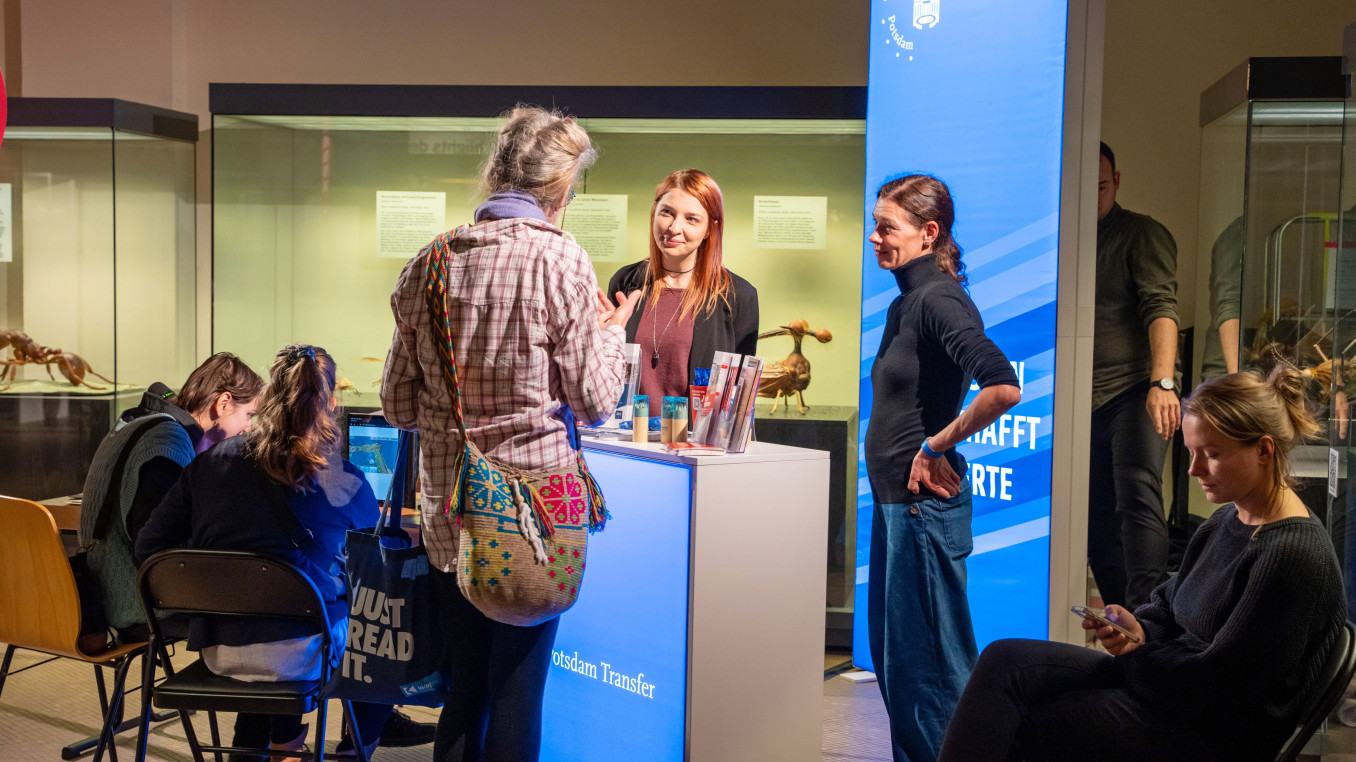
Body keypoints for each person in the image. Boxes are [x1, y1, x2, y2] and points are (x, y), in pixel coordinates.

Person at [381, 105, 640, 762]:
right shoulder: (563, 263)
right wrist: (614, 338)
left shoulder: (426, 264)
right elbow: (596, 401)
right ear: (561, 188)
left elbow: (397, 406)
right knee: (520, 688)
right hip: (535, 515)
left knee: (463, 687)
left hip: (453, 514)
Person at [937, 366, 1347, 762]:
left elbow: (1219, 686)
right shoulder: (1227, 519)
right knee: (1004, 662)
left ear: (1263, 449)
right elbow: (1168, 603)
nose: (1194, 470)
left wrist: (1137, 653)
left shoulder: (1293, 555)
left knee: (1031, 721)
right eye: (1191, 453)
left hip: (1208, 731)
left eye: (1211, 454)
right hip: (1173, 689)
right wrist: (1140, 629)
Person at [136, 345, 428, 762]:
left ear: (268, 398)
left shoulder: (208, 464)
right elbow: (376, 572)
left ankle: (273, 745)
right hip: (304, 656)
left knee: (275, 614)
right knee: (385, 620)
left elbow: (150, 549)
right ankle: (351, 750)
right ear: (330, 404)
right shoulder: (344, 478)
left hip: (219, 650)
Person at [864, 174, 1021, 762]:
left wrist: (934, 447)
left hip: (923, 511)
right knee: (901, 670)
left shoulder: (938, 297)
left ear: (929, 234)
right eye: (874, 225)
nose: (874, 238)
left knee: (932, 680)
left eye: (887, 228)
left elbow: (1002, 386)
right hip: (897, 508)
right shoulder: (906, 300)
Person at [79, 352, 264, 644]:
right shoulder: (167, 440)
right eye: (249, 414)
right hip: (132, 604)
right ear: (224, 403)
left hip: (102, 589)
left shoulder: (141, 424)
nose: (249, 426)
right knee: (268, 607)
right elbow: (161, 553)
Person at [1090, 140, 1181, 610]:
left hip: (1135, 390)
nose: (1093, 196)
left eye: (1101, 186)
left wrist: (1162, 384)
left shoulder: (1141, 233)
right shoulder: (1066, 236)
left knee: (1137, 498)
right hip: (1079, 397)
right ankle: (1120, 622)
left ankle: (1150, 620)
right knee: (1093, 518)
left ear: (1117, 182)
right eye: (1084, 187)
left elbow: (1161, 307)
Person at [606, 168, 758, 401]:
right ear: (654, 213)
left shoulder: (737, 295)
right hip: (625, 435)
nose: (675, 228)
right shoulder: (625, 282)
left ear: (710, 229)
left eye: (691, 219)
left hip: (692, 437)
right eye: (666, 212)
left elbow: (736, 396)